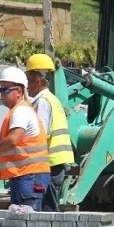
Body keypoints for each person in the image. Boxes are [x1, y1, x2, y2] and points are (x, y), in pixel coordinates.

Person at [0, 66, 51, 211]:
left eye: (5, 90)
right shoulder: (19, 110)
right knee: (21, 221)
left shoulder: (21, 111)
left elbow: (12, 140)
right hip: (25, 175)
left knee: (27, 223)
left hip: (29, 176)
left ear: (19, 92)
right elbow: (14, 146)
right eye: (0, 89)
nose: (1, 93)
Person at [25, 53, 74, 211]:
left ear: (37, 81)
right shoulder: (53, 100)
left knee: (46, 210)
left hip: (48, 166)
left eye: (28, 80)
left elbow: (40, 134)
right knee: (49, 207)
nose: (26, 86)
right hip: (55, 165)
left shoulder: (43, 102)